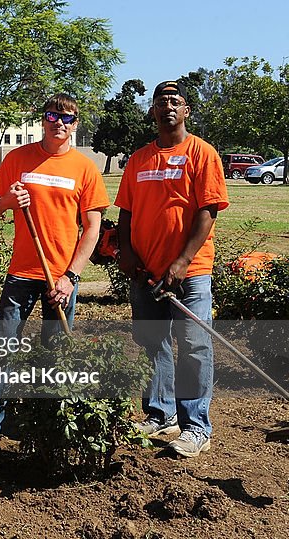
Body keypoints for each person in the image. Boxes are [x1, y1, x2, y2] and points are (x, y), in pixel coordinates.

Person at [0, 93, 109, 443]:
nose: (59, 123)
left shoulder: (84, 169)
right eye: (53, 115)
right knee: (4, 346)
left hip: (61, 279)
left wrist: (71, 277)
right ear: (43, 120)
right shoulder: (18, 158)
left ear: (76, 125)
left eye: (67, 118)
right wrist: (8, 201)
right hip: (22, 272)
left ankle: (49, 418)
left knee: (55, 351)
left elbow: (93, 228)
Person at [116, 80, 228, 458]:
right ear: (152, 111)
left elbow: (207, 211)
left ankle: (196, 425)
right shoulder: (139, 159)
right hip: (146, 270)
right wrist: (127, 253)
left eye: (175, 102)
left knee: (195, 345)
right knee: (152, 342)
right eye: (160, 102)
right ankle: (159, 413)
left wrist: (182, 262)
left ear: (186, 111)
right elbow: (126, 212)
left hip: (190, 271)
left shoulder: (203, 153)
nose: (167, 107)